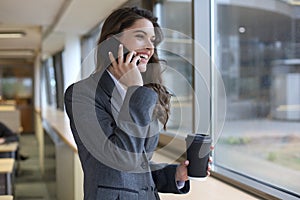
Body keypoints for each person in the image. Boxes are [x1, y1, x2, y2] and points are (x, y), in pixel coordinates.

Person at [64, 6, 212, 200]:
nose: (150, 48)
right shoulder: (82, 94)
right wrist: (135, 90)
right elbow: (122, 159)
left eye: (152, 40)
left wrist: (175, 174)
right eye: (140, 37)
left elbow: (138, 165)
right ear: (111, 43)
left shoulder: (145, 92)